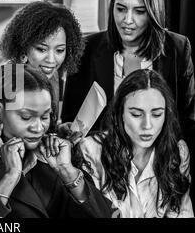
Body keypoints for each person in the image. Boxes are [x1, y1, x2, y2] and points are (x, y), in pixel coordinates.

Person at [0, 64, 113, 218]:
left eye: (45, 116)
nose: (38, 128)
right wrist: (10, 176)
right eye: (26, 116)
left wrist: (67, 172)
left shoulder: (57, 153)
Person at [62, 0, 195, 157]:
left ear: (153, 12)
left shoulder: (178, 48)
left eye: (139, 11)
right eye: (121, 9)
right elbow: (70, 119)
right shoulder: (87, 48)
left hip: (159, 164)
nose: (127, 20)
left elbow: (188, 120)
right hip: (100, 163)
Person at [60, 70, 192, 217]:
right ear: (120, 113)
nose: (147, 125)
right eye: (136, 114)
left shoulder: (178, 152)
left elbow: (183, 211)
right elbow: (91, 210)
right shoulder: (91, 149)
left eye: (157, 114)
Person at [0, 1, 84, 124]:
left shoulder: (51, 77)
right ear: (23, 48)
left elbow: (39, 130)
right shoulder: (5, 83)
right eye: (41, 49)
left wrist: (58, 132)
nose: (51, 60)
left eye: (59, 50)